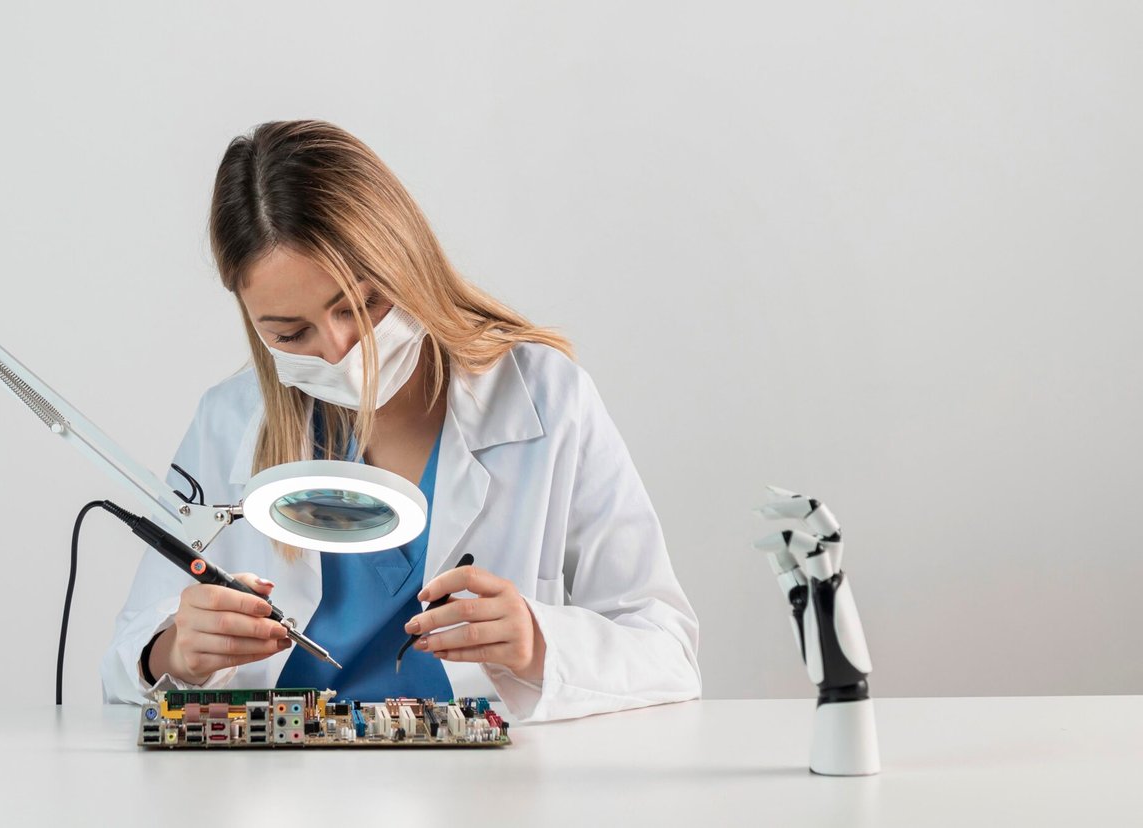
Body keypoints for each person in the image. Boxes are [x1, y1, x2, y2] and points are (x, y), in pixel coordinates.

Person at [100, 120, 700, 722]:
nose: (337, 350)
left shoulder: (546, 400)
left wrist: (538, 643)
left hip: (477, 795)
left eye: (361, 306)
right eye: (290, 332)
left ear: (407, 263)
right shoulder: (230, 421)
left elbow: (667, 651)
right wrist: (175, 651)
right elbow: (128, 660)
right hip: (282, 785)